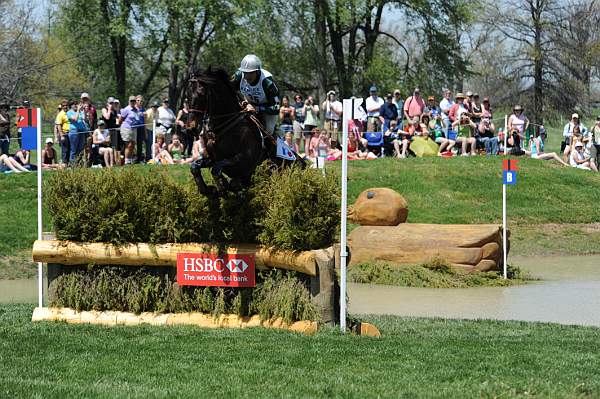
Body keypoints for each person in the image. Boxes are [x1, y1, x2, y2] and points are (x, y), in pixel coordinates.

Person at [233, 54, 280, 135]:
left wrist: (257, 108)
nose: (247, 76)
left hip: (267, 108)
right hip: (248, 104)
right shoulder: (238, 76)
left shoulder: (267, 83)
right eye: (245, 72)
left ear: (257, 71)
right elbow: (230, 91)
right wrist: (243, 102)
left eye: (250, 73)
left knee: (268, 131)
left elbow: (276, 107)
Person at [119, 96, 141, 165]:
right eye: (131, 101)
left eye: (134, 101)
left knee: (133, 144)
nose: (133, 102)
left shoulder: (136, 109)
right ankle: (126, 161)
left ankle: (130, 159)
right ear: (129, 101)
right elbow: (121, 119)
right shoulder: (126, 109)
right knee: (128, 145)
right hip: (127, 128)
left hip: (134, 129)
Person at [135, 95, 146, 162]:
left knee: (140, 144)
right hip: (134, 128)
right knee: (133, 143)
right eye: (138, 100)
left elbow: (144, 120)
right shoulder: (133, 108)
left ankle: (139, 158)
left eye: (141, 101)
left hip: (141, 127)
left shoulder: (143, 109)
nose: (140, 102)